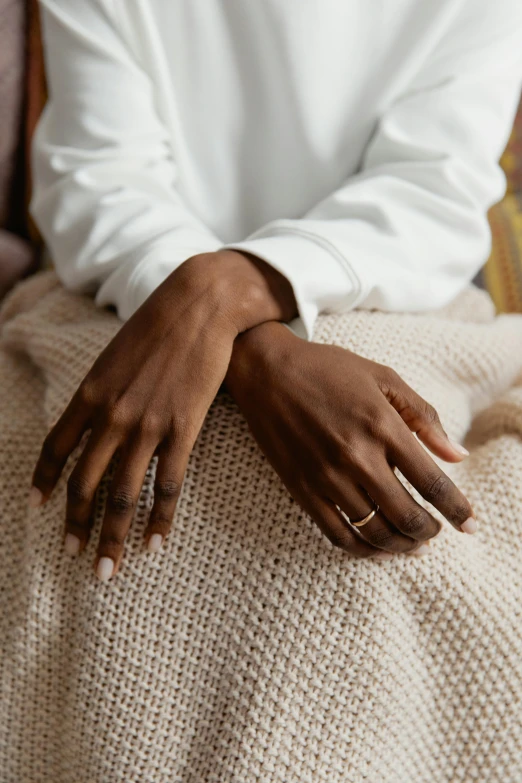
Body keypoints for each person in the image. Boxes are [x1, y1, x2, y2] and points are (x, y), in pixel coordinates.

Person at [5, 1, 522, 780]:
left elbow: (432, 195)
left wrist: (226, 294)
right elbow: (96, 174)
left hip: (386, 291)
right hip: (120, 287)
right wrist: (230, 326)